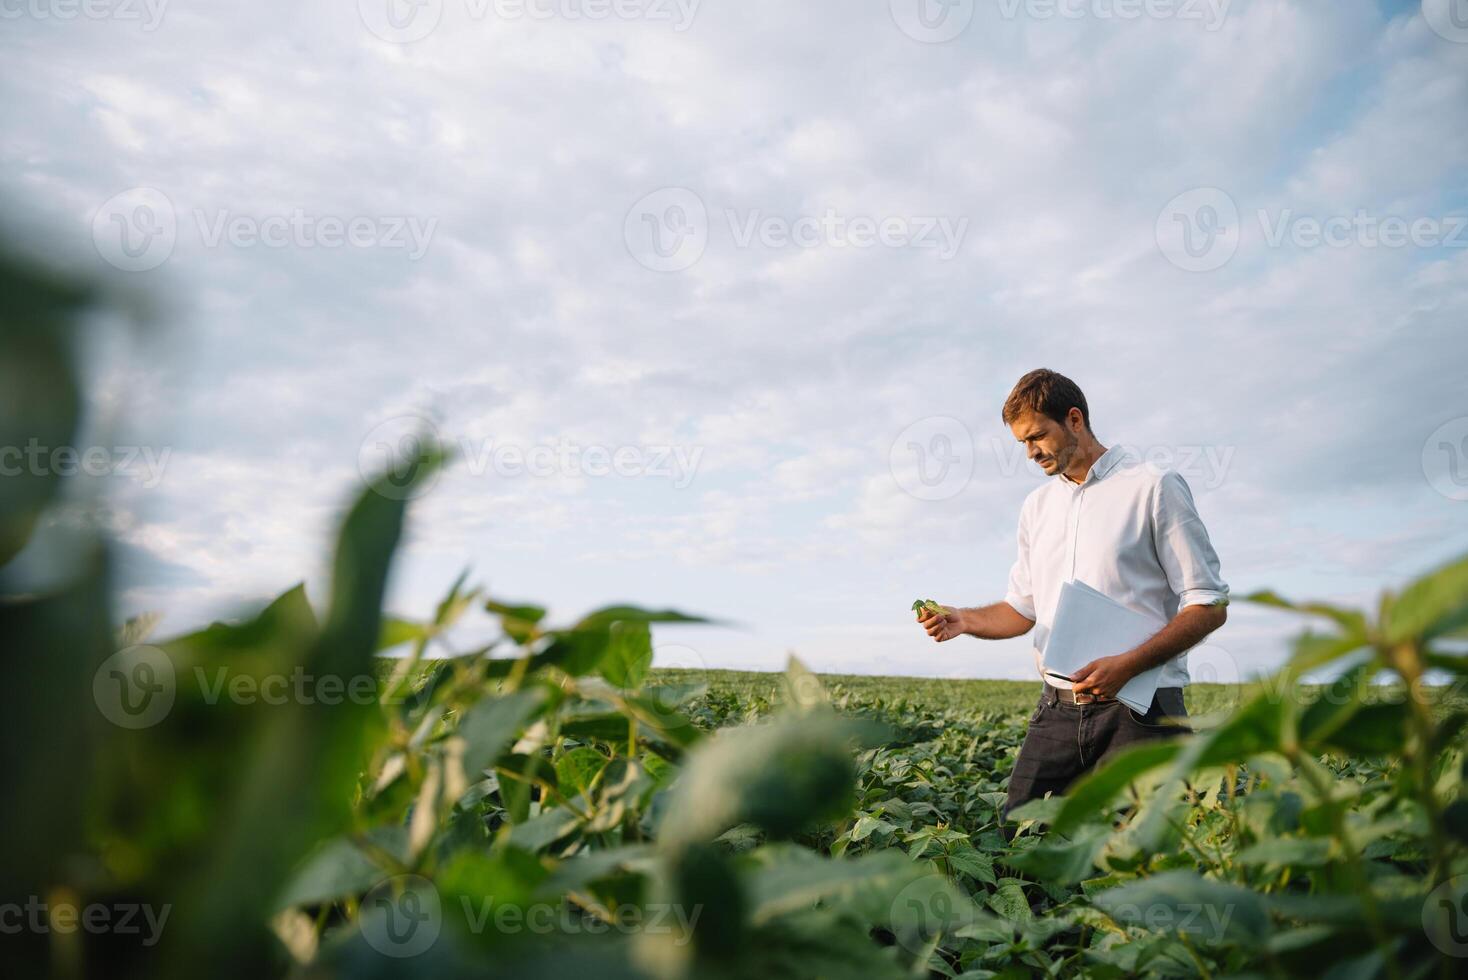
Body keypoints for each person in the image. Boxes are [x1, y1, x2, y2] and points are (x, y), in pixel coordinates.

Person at [916, 368, 1229, 822]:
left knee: (1139, 860)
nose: (1030, 452)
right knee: (1020, 840)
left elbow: (1208, 603)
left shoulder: (1153, 487)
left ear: (1075, 419)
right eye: (1022, 442)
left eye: (1038, 436)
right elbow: (1022, 609)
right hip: (1058, 710)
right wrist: (964, 619)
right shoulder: (1037, 508)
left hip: (1142, 714)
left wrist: (1128, 666)